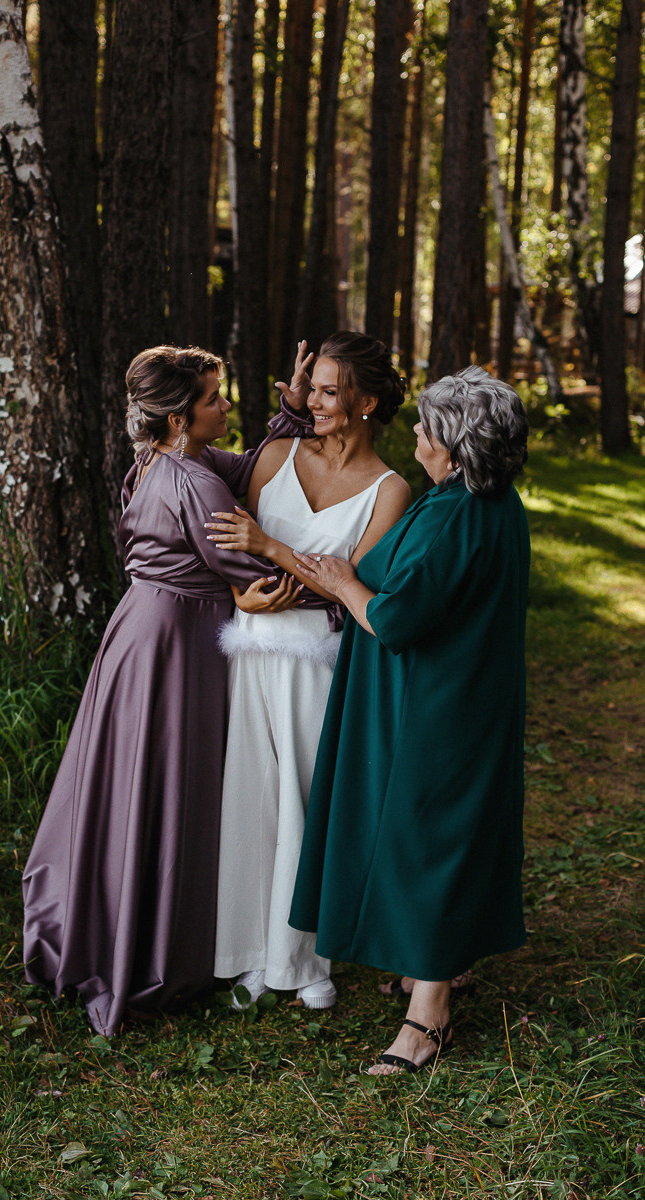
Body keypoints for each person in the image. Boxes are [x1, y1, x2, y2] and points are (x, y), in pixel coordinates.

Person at [22, 344, 310, 1035]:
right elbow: (257, 578)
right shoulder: (196, 482)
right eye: (215, 399)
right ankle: (151, 951)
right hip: (178, 644)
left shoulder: (160, 463)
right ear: (180, 417)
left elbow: (246, 468)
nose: (226, 406)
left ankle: (112, 930)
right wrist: (303, 586)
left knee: (128, 785)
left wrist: (291, 412)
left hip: (138, 633)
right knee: (167, 785)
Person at [288, 365, 529, 1072]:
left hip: (435, 703)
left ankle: (428, 1020)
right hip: (460, 693)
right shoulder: (484, 500)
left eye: (429, 427)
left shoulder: (456, 516)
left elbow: (396, 619)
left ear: (455, 448)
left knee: (430, 836)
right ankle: (435, 961)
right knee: (439, 830)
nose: (417, 432)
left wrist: (342, 583)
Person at [205, 332, 411, 1011]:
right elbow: (227, 551)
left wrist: (270, 546)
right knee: (251, 798)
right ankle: (247, 956)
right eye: (313, 388)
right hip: (252, 649)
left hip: (321, 664)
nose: (312, 402)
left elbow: (353, 592)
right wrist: (242, 588)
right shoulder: (274, 455)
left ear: (367, 402)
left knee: (304, 803)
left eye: (329, 392)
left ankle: (304, 959)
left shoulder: (390, 490)